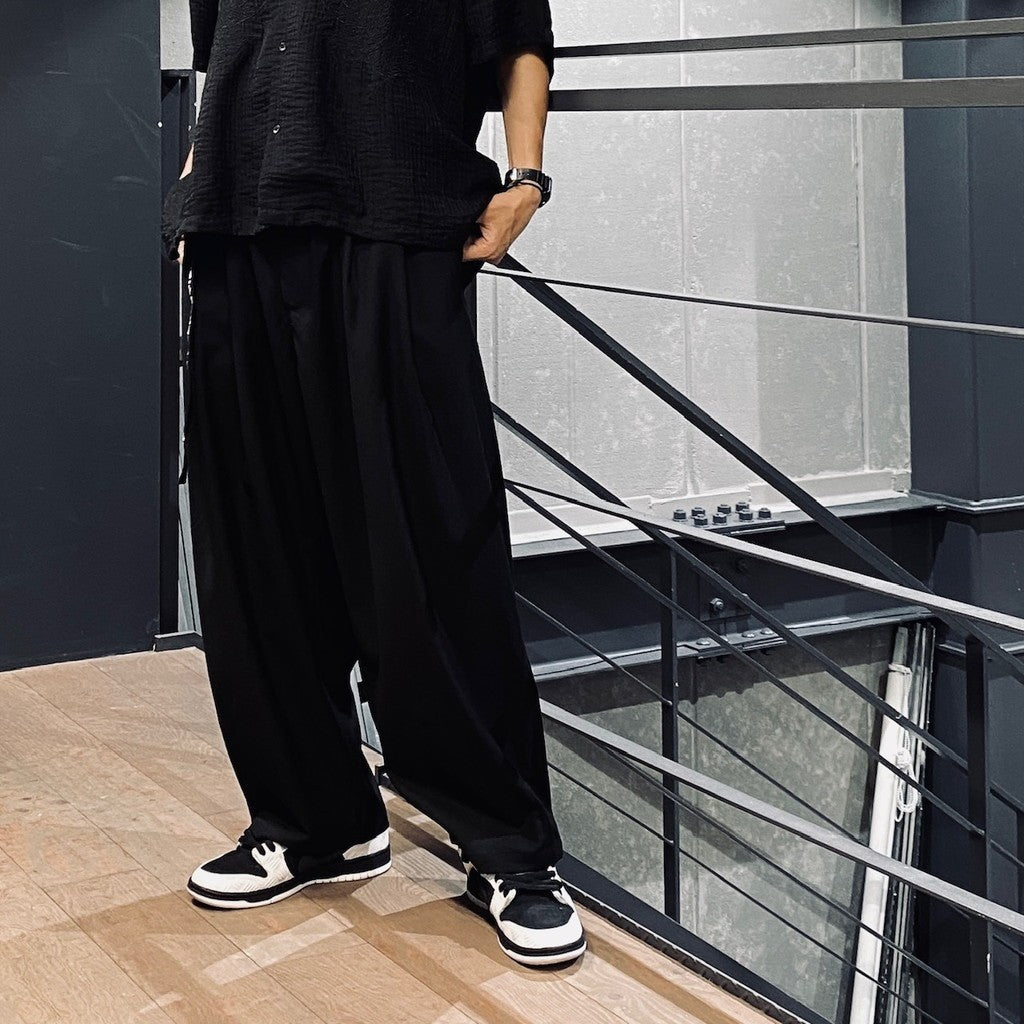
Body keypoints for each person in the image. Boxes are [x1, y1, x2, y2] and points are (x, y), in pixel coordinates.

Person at [160, 0, 586, 967]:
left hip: (392, 221)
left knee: (427, 543)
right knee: (257, 549)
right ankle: (316, 823)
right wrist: (196, 178)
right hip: (238, 228)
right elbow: (224, 54)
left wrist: (526, 178)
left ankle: (509, 848)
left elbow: (519, 35)